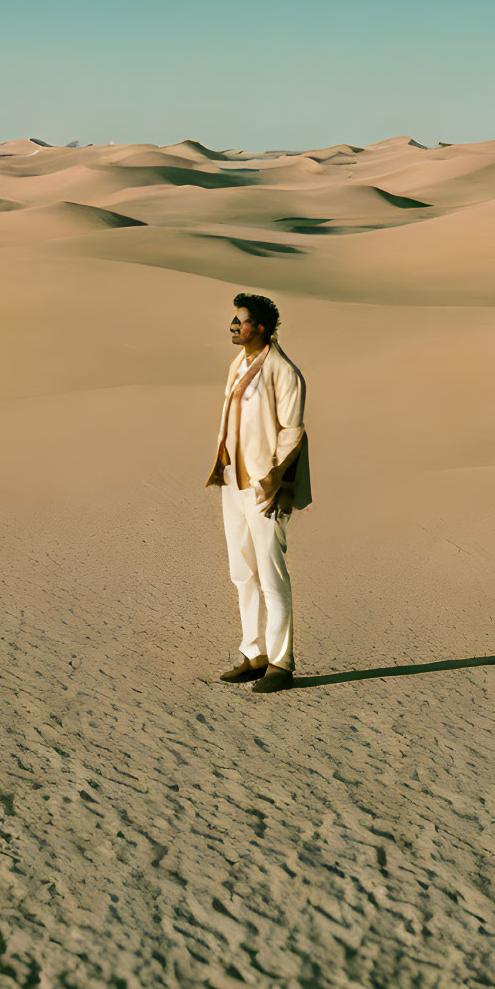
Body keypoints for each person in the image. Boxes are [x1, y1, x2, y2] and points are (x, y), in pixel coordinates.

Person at [206, 292, 311, 693]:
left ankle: (281, 663)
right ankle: (253, 654)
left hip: (264, 487)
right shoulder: (240, 362)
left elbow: (292, 433)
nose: (234, 327)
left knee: (271, 573)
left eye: (241, 322)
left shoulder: (283, 371)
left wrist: (273, 479)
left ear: (261, 328)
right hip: (233, 480)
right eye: (234, 321)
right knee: (241, 571)